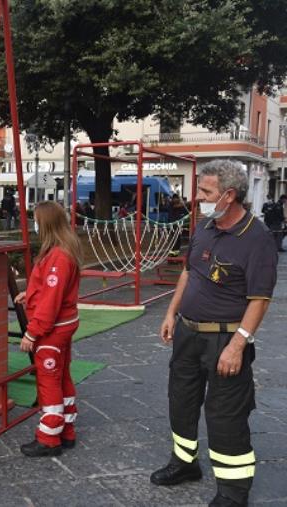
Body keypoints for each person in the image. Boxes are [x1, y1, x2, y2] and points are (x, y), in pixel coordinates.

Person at [150, 160, 277, 507]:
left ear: (229, 195)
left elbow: (259, 300)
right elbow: (189, 273)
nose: (198, 198)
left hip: (224, 340)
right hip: (187, 334)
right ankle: (184, 463)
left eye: (205, 192)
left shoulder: (257, 238)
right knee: (182, 401)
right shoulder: (205, 226)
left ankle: (234, 492)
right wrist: (171, 313)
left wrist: (238, 345)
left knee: (225, 414)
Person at [13, 201, 81, 457]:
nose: (34, 224)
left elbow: (51, 301)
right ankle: (66, 431)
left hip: (52, 330)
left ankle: (48, 438)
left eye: (36, 219)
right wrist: (29, 294)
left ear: (46, 223)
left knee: (48, 380)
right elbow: (49, 289)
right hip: (63, 325)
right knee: (62, 376)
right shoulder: (63, 251)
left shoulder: (58, 257)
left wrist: (32, 332)